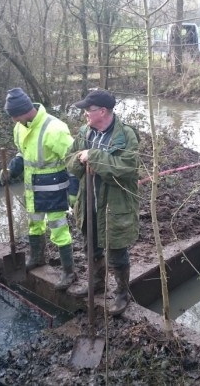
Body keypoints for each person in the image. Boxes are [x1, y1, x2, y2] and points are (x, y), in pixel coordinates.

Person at [65, 89, 140, 316]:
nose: (85, 114)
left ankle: (122, 294)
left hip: (114, 206)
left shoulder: (125, 136)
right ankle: (96, 284)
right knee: (91, 247)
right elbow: (69, 160)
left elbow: (127, 168)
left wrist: (94, 156)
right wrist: (80, 158)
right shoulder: (84, 132)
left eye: (89, 110)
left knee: (117, 251)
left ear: (103, 111)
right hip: (88, 203)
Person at [0, 88, 76, 291]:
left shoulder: (55, 128)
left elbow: (74, 160)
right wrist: (10, 170)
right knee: (34, 224)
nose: (13, 120)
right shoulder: (20, 127)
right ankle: (37, 257)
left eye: (14, 116)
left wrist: (75, 193)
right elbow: (22, 153)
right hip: (32, 188)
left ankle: (69, 271)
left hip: (53, 188)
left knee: (59, 229)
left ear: (24, 111)